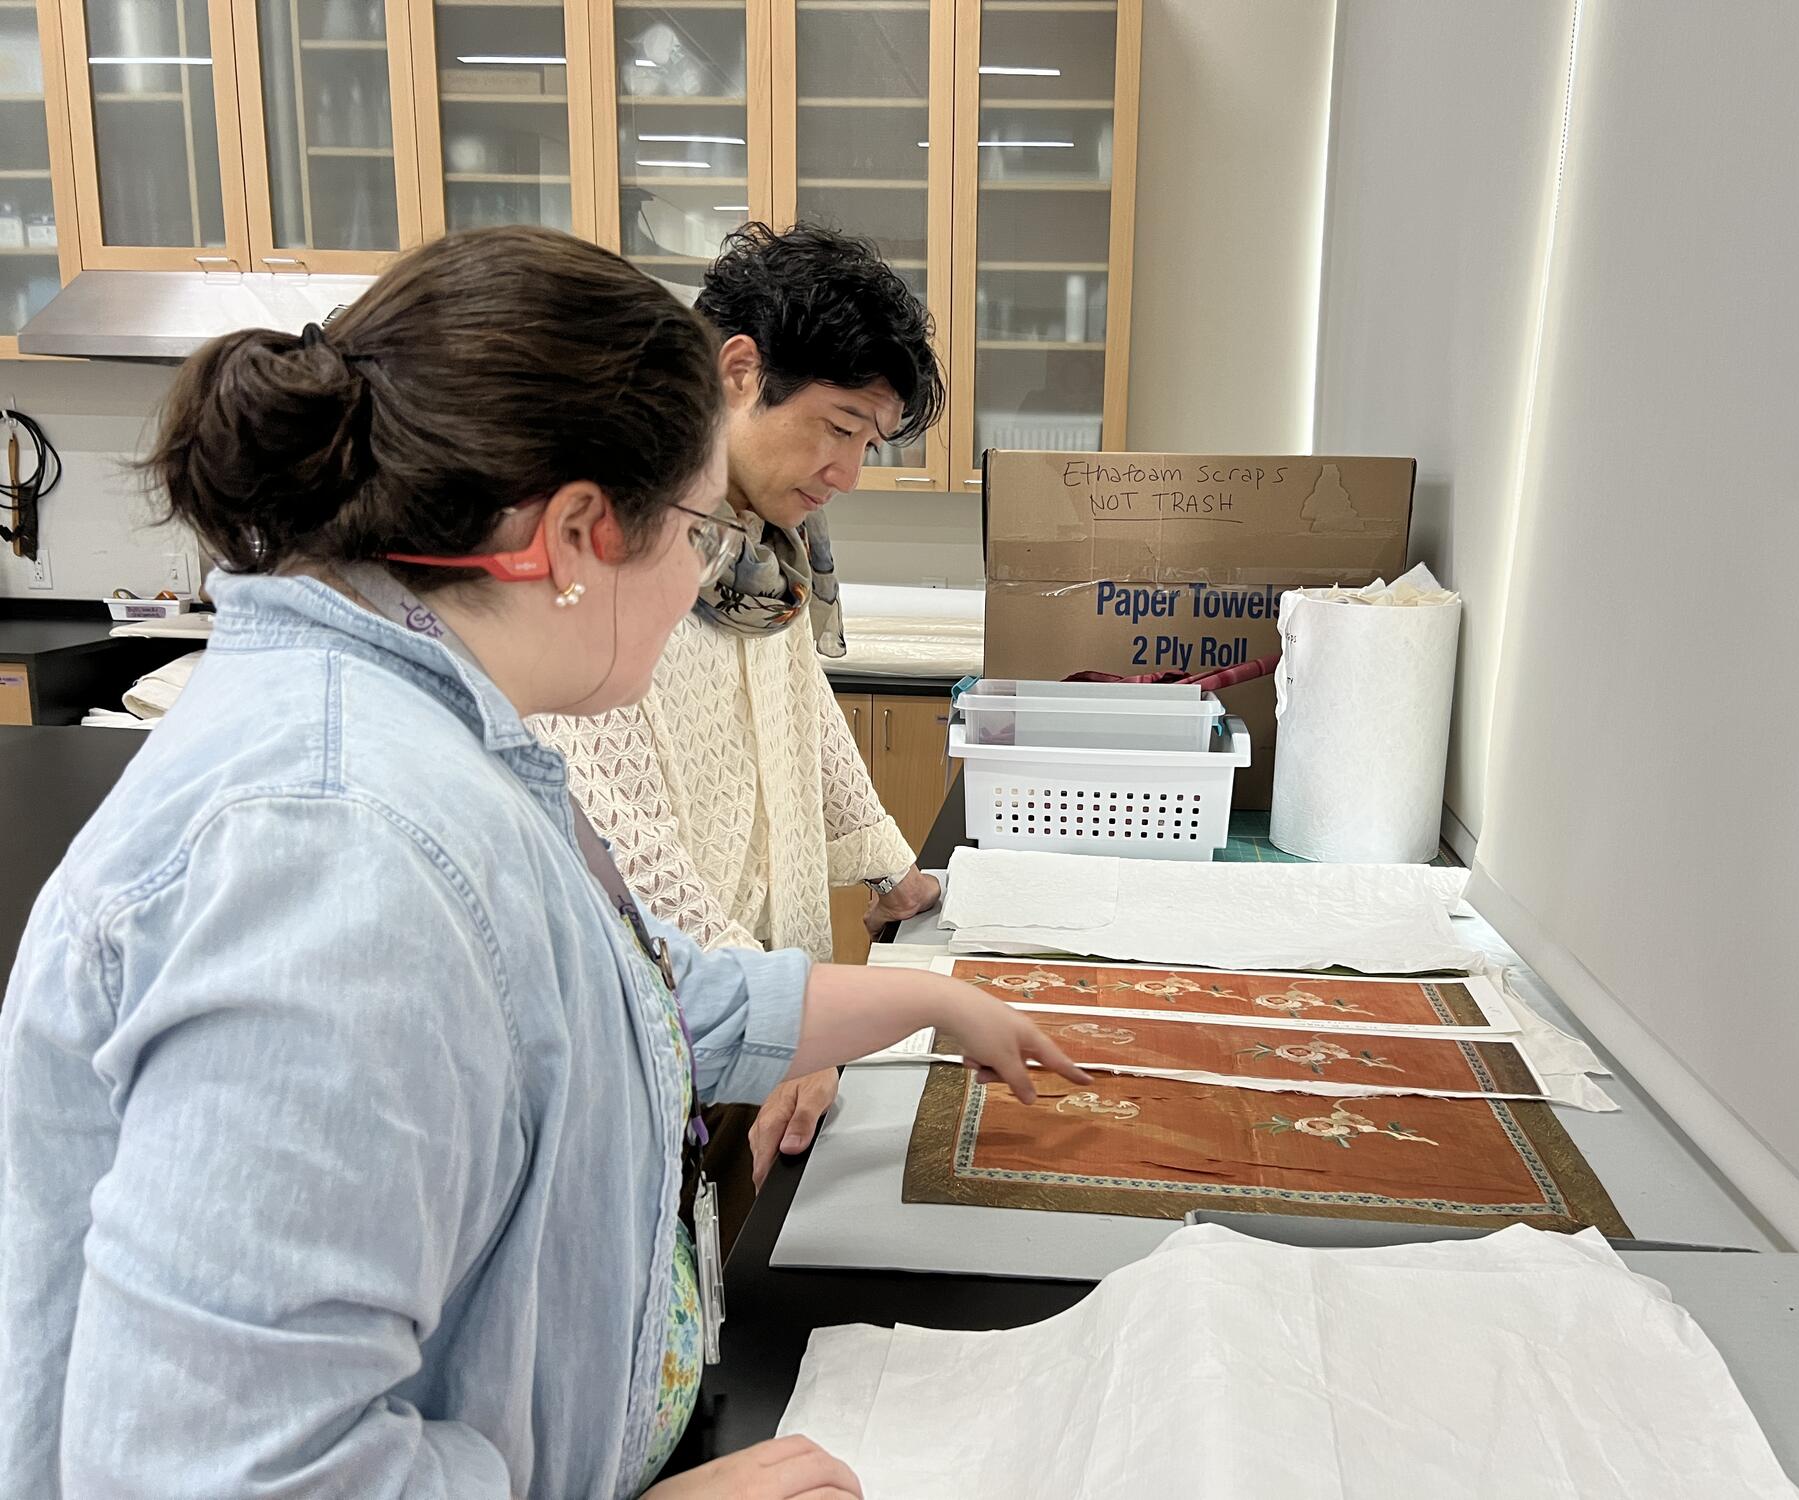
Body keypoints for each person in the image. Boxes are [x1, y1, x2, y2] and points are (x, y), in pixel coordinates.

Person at [0, 226, 1083, 1499]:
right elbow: (224, 1468)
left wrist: (931, 996)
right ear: (571, 537)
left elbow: (628, 997)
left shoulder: (443, 734)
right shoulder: (335, 855)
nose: (696, 578)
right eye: (687, 531)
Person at [541, 223, 950, 1221]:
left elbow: (800, 704)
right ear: (736, 370)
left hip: (769, 983)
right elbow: (614, 838)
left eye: (866, 441)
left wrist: (891, 867)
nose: (847, 469)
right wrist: (773, 1020)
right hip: (684, 1003)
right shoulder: (616, 551)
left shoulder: (762, 548)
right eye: (837, 426)